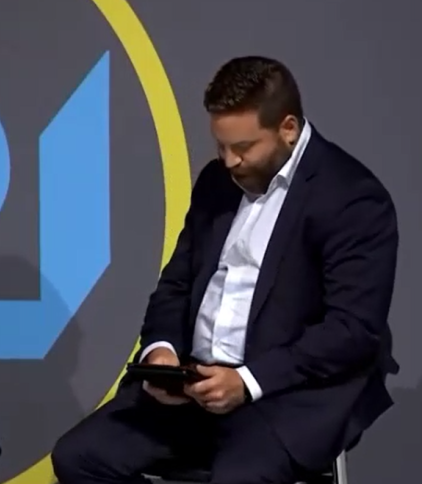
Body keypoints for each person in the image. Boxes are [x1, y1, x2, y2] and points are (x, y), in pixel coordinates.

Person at [51, 56, 399, 484]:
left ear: (287, 129)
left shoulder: (352, 199)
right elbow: (176, 285)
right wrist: (161, 352)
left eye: (243, 148)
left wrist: (247, 381)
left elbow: (352, 330)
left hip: (283, 398)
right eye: (220, 146)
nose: (229, 161)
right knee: (78, 457)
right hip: (193, 389)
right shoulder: (216, 182)